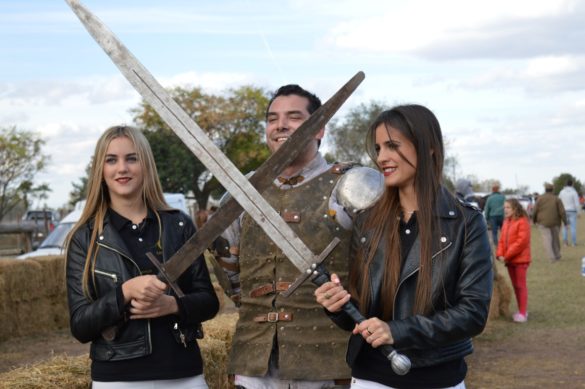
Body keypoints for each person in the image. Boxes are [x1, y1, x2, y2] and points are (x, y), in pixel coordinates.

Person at [314, 105, 493, 389]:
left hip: (439, 378)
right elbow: (359, 314)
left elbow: (473, 313)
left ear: (429, 148)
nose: (381, 157)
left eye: (392, 146)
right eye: (378, 148)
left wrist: (397, 331)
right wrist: (338, 306)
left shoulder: (466, 222)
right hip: (371, 376)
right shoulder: (367, 221)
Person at [213, 84, 354, 389]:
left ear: (319, 129)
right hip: (256, 361)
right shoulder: (241, 192)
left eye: (293, 117)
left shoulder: (349, 186)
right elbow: (229, 273)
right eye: (273, 118)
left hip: (328, 359)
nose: (280, 125)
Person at [65, 126, 219, 388]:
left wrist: (173, 306)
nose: (122, 168)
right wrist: (124, 292)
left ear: (146, 165)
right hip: (116, 379)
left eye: (132, 158)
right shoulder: (84, 238)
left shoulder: (178, 225)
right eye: (111, 160)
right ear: (100, 171)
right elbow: (80, 325)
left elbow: (209, 301)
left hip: (184, 374)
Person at [496, 198, 531, 323]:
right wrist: (499, 253)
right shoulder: (506, 222)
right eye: (504, 207)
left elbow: (521, 242)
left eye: (508, 207)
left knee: (521, 286)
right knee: (516, 286)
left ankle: (523, 313)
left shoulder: (522, 221)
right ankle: (521, 310)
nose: (505, 210)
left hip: (520, 260)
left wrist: (507, 255)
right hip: (510, 260)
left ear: (515, 208)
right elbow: (501, 240)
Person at [532, 183, 566, 262]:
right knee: (555, 239)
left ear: (545, 190)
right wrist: (565, 221)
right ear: (552, 190)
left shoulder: (539, 199)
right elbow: (562, 212)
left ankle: (551, 257)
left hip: (543, 222)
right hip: (555, 222)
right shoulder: (556, 199)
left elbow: (534, 211)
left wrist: (534, 220)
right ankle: (557, 255)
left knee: (547, 239)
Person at [558, 179, 580, 246]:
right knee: (573, 227)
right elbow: (577, 203)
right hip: (572, 211)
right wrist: (578, 212)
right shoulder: (574, 192)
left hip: (564, 211)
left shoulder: (561, 192)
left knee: (565, 227)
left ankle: (565, 242)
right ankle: (573, 242)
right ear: (572, 184)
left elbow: (559, 202)